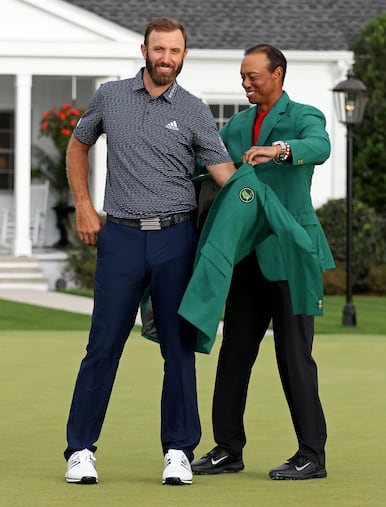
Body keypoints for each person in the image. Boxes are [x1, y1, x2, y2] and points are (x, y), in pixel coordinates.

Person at [63, 17, 236, 487]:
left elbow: (227, 176)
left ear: (184, 55)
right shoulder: (109, 97)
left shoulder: (197, 111)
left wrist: (261, 203)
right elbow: (78, 146)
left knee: (178, 349)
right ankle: (80, 450)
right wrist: (84, 206)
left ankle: (179, 451)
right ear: (144, 50)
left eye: (174, 51)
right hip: (119, 238)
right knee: (103, 345)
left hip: (175, 241)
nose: (166, 58)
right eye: (158, 49)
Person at [191, 44, 335, 480]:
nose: (245, 83)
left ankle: (312, 454)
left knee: (294, 355)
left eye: (253, 76)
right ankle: (226, 449)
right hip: (246, 256)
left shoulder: (304, 116)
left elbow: (321, 146)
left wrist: (279, 150)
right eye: (242, 75)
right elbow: (215, 168)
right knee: (234, 352)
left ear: (278, 75)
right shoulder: (235, 124)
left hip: (291, 254)